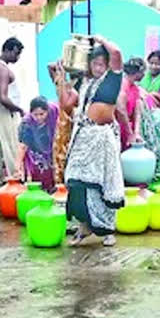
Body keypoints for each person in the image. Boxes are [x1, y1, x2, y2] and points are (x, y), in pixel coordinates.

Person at [64, 36, 125, 247]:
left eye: (103, 64)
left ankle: (107, 230)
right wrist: (59, 78)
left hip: (101, 138)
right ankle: (84, 226)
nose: (99, 68)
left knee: (102, 184)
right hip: (82, 136)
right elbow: (67, 104)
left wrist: (98, 39)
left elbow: (116, 53)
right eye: (96, 63)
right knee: (75, 181)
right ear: (89, 63)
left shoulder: (113, 78)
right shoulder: (84, 82)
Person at [119, 57, 160, 174]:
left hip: (129, 126)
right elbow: (121, 110)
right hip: (120, 127)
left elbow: (137, 110)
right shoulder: (122, 86)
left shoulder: (135, 87)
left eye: (157, 63)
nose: (145, 73)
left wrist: (136, 132)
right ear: (138, 72)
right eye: (144, 70)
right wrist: (130, 132)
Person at [0, 37, 24, 189]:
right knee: (10, 144)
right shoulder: (2, 69)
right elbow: (3, 97)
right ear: (7, 50)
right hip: (3, 109)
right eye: (16, 53)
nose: (17, 57)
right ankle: (15, 180)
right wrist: (19, 109)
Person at [16, 97, 59, 192]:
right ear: (30, 113)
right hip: (36, 154)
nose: (39, 117)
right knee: (39, 174)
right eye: (35, 114)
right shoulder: (26, 124)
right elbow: (23, 146)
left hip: (53, 149)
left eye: (42, 114)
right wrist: (18, 166)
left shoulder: (54, 112)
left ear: (47, 111)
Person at [48, 61, 79, 186]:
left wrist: (62, 80)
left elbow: (65, 105)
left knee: (66, 160)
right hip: (62, 130)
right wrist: (65, 64)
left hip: (70, 131)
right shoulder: (63, 87)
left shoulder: (73, 93)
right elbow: (50, 66)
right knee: (59, 161)